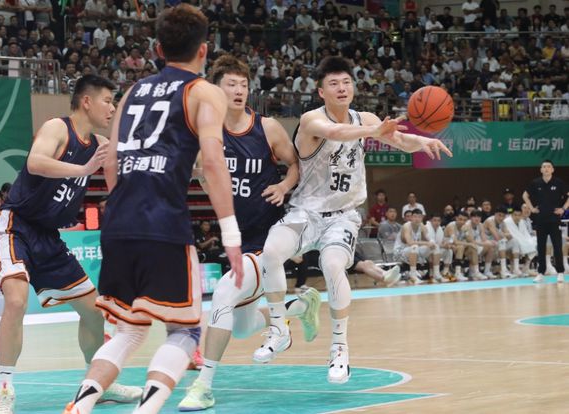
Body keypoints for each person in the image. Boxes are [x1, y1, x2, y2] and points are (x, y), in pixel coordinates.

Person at [63, 6, 244, 414]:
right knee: (186, 331)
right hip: (163, 223)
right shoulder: (204, 92)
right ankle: (146, 410)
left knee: (128, 331)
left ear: (158, 49)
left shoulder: (133, 92)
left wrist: (126, 206)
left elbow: (110, 162)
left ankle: (80, 405)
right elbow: (213, 163)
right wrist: (231, 235)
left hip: (118, 224)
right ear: (204, 50)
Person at [255, 56, 451, 384]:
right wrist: (374, 130)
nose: (341, 88)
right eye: (333, 84)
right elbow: (336, 131)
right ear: (321, 92)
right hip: (306, 211)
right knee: (272, 252)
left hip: (343, 216)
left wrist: (422, 140)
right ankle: (279, 330)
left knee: (333, 265)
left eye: (346, 82)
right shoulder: (311, 119)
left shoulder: (366, 118)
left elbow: (399, 141)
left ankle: (339, 348)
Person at [0, 75, 140, 414]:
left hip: (49, 237)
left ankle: (98, 384)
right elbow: (35, 162)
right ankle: (4, 389)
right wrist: (84, 167)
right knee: (16, 300)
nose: (112, 108)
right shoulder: (57, 128)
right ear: (86, 101)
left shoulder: (100, 143)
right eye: (107, 101)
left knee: (94, 312)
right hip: (16, 226)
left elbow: (127, 165)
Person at [178, 54, 321, 411]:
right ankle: (300, 306)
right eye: (231, 84)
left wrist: (284, 186)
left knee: (223, 294)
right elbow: (201, 175)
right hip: (236, 238)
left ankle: (203, 386)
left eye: (243, 84)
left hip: (268, 237)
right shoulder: (207, 134)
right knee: (241, 327)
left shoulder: (267, 128)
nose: (239, 90)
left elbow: (296, 165)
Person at [523, 160, 568, 283]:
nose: (546, 168)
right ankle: (541, 272)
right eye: (544, 167)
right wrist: (532, 208)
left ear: (552, 169)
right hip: (541, 219)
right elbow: (525, 195)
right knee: (541, 247)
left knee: (557, 246)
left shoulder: (558, 182)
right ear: (541, 169)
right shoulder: (535, 183)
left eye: (549, 166)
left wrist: (563, 209)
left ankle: (560, 272)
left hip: (554, 219)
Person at [393, 209, 435, 284]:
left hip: (414, 251)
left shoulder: (422, 225)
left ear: (422, 218)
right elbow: (410, 243)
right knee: (414, 247)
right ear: (411, 217)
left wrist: (432, 242)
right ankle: (413, 275)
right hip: (400, 252)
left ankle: (434, 274)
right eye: (415, 216)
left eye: (419, 217)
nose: (417, 219)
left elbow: (429, 238)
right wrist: (426, 243)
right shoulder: (406, 226)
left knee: (434, 248)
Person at [503, 206, 537, 277]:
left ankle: (526, 267)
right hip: (508, 243)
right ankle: (516, 269)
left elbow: (526, 234)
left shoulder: (521, 221)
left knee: (536, 242)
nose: (517, 217)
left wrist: (528, 241)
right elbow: (509, 235)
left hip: (522, 240)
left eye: (519, 215)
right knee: (516, 242)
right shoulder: (506, 221)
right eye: (515, 215)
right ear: (511, 215)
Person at [462, 211, 496, 280]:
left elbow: (484, 239)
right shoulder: (467, 225)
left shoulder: (480, 225)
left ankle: (487, 271)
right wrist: (485, 243)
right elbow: (471, 241)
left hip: (477, 245)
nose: (477, 219)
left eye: (479, 217)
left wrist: (490, 242)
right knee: (473, 247)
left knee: (491, 247)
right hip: (465, 247)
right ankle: (476, 272)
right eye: (475, 217)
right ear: (470, 218)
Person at [483, 206, 515, 278]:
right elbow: (497, 237)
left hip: (495, 244)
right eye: (499, 215)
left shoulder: (503, 222)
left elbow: (510, 236)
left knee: (514, 242)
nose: (501, 218)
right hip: (485, 243)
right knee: (502, 241)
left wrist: (503, 234)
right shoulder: (490, 221)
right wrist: (504, 235)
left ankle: (515, 269)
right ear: (495, 214)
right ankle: (503, 270)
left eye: (503, 216)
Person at [443, 211, 471, 281]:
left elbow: (470, 239)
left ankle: (475, 271)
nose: (462, 222)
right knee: (461, 246)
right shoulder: (451, 226)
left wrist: (467, 233)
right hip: (447, 246)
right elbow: (455, 241)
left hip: (456, 246)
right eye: (460, 219)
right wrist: (469, 244)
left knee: (472, 248)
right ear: (456, 218)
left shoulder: (465, 227)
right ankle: (457, 273)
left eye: (464, 220)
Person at [426, 212, 452, 281]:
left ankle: (445, 272)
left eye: (438, 220)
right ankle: (434, 274)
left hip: (436, 250)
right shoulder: (426, 227)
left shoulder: (440, 229)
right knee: (435, 248)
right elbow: (432, 243)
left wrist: (447, 244)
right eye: (434, 220)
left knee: (449, 250)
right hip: (426, 251)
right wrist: (443, 245)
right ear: (430, 221)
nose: (437, 222)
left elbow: (441, 242)